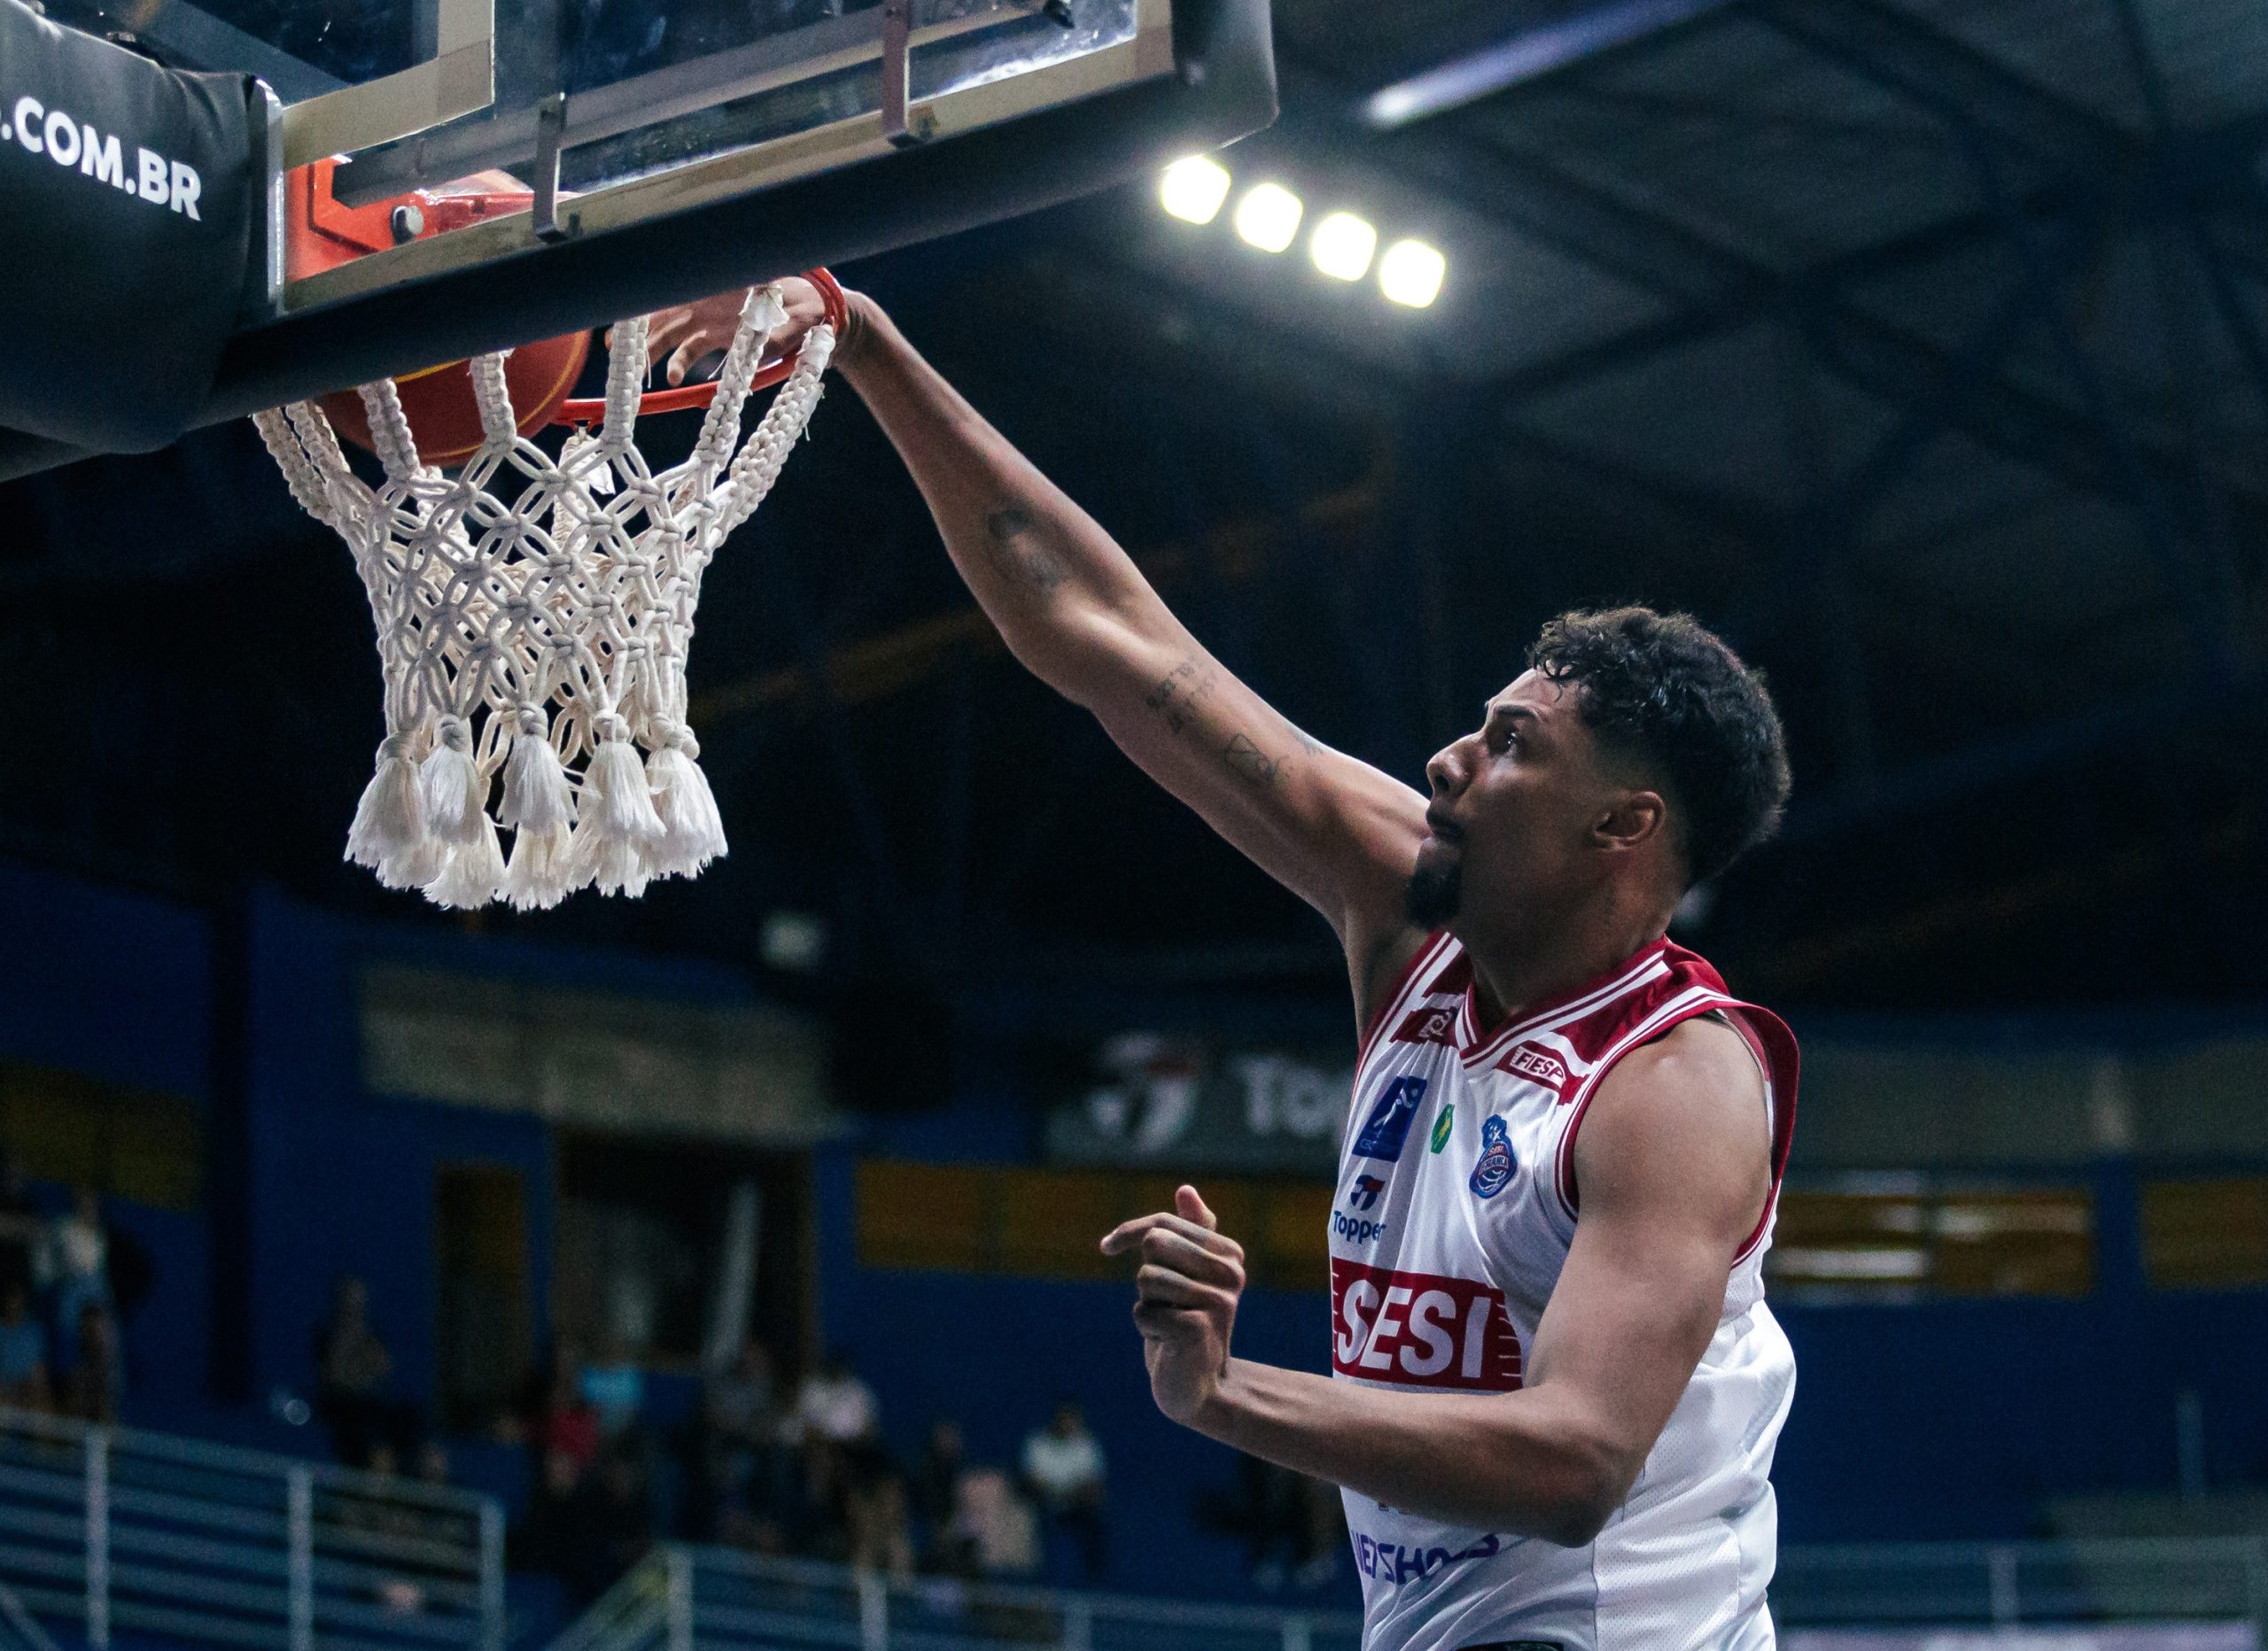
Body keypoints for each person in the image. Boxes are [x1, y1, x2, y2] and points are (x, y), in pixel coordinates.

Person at [644, 280, 1800, 1647]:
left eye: (1511, 748)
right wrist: (869, 345)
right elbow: (1114, 641)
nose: (1451, 758)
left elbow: (1573, 1465)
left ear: (1623, 827)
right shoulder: (1408, 906)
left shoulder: (1678, 1085)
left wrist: (1223, 1394)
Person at [1018, 1400, 1107, 1583]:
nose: (1069, 1424)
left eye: (1073, 1420)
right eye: (1065, 1420)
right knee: (1027, 1516)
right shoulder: (1038, 1443)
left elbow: (1093, 1485)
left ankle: (1094, 1579)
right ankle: (1033, 1575)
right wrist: (1055, 1492)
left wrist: (1067, 1493)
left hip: (1076, 1506)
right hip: (1042, 1504)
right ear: (1057, 1420)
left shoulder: (1086, 1445)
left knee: (1096, 1520)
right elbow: (1031, 1481)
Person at [0, 1283, 50, 1413]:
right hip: (4, 1392)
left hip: (28, 1392)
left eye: (17, 1299)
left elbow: (39, 1371)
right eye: (10, 1300)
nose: (13, 1304)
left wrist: (28, 1393)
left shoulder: (34, 1331)